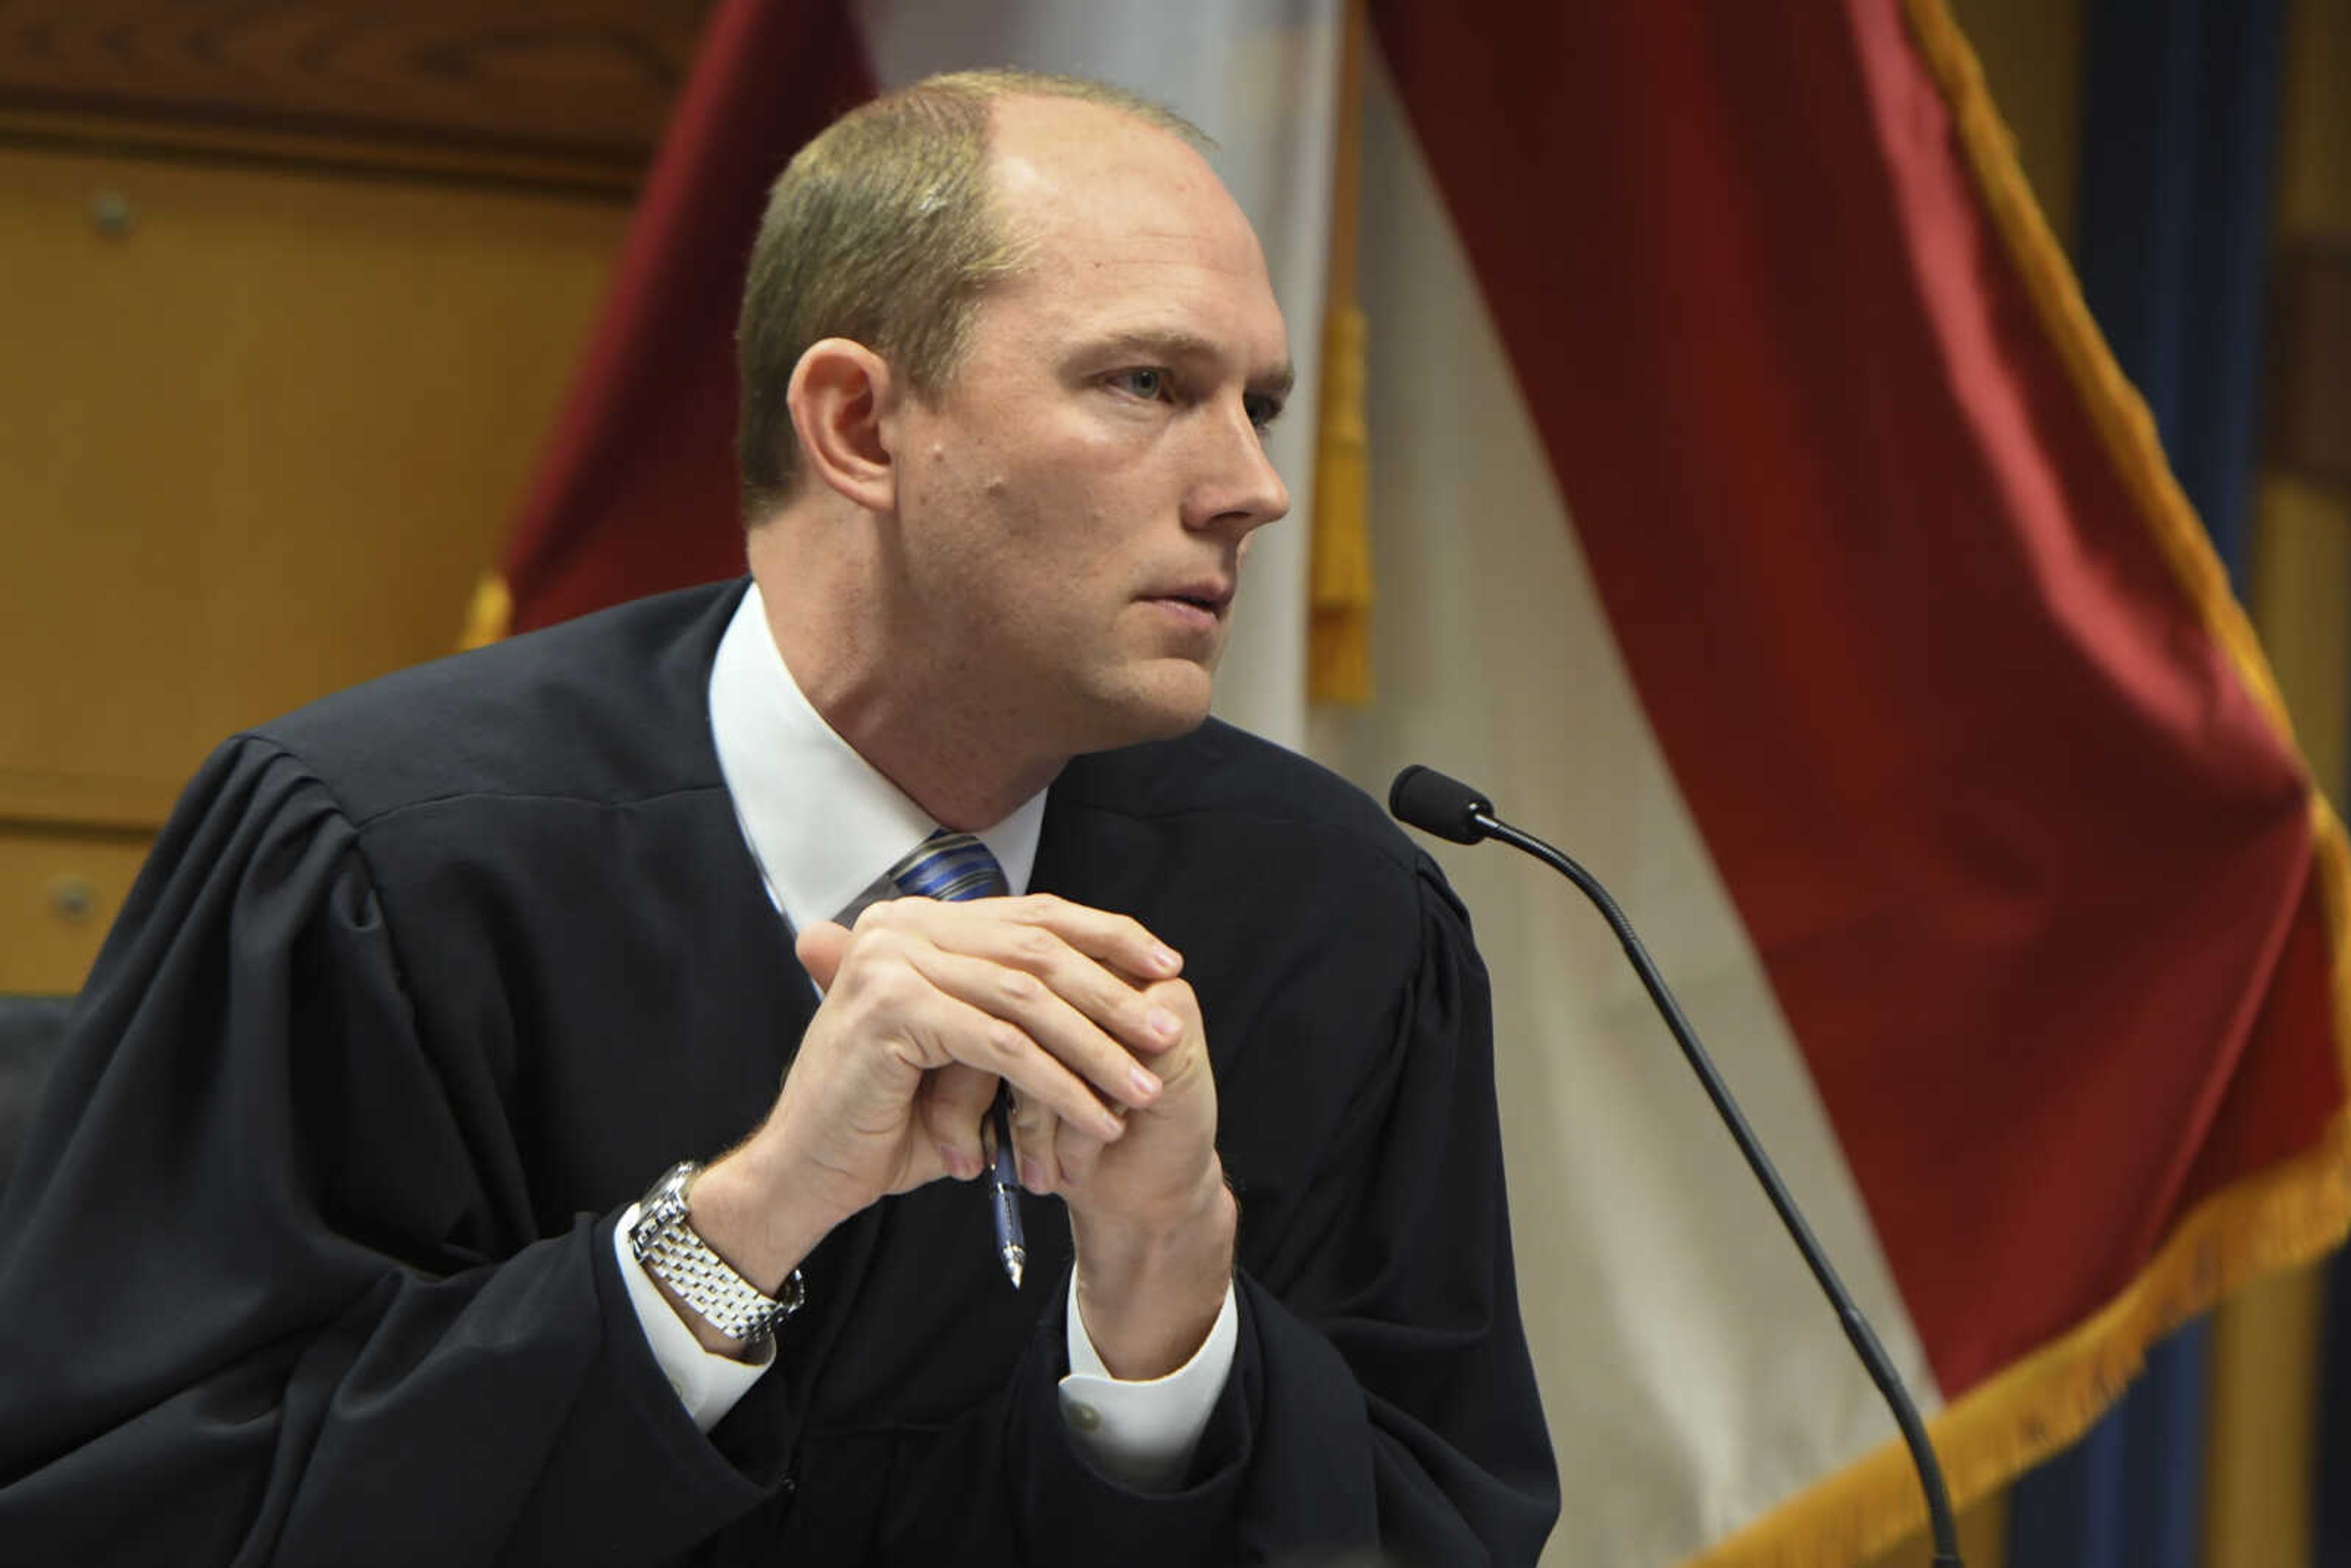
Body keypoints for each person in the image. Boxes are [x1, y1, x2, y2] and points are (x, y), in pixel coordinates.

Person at [0, 70, 1558, 1566]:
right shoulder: (387, 865)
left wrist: (1168, 1324)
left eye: (1262, 405)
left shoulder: (1329, 920)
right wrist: (738, 1231)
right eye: (1148, 384)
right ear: (860, 427)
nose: (1251, 489)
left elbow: (1434, 1522)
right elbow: (128, 1512)